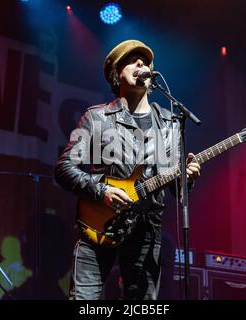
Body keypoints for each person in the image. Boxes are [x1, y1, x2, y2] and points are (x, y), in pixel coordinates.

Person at [55, 39, 200, 300]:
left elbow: (177, 191)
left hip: (146, 229)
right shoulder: (96, 118)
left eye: (144, 61)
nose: (141, 64)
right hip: (98, 225)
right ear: (116, 74)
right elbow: (64, 168)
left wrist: (187, 179)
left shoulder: (169, 123)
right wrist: (102, 191)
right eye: (132, 60)